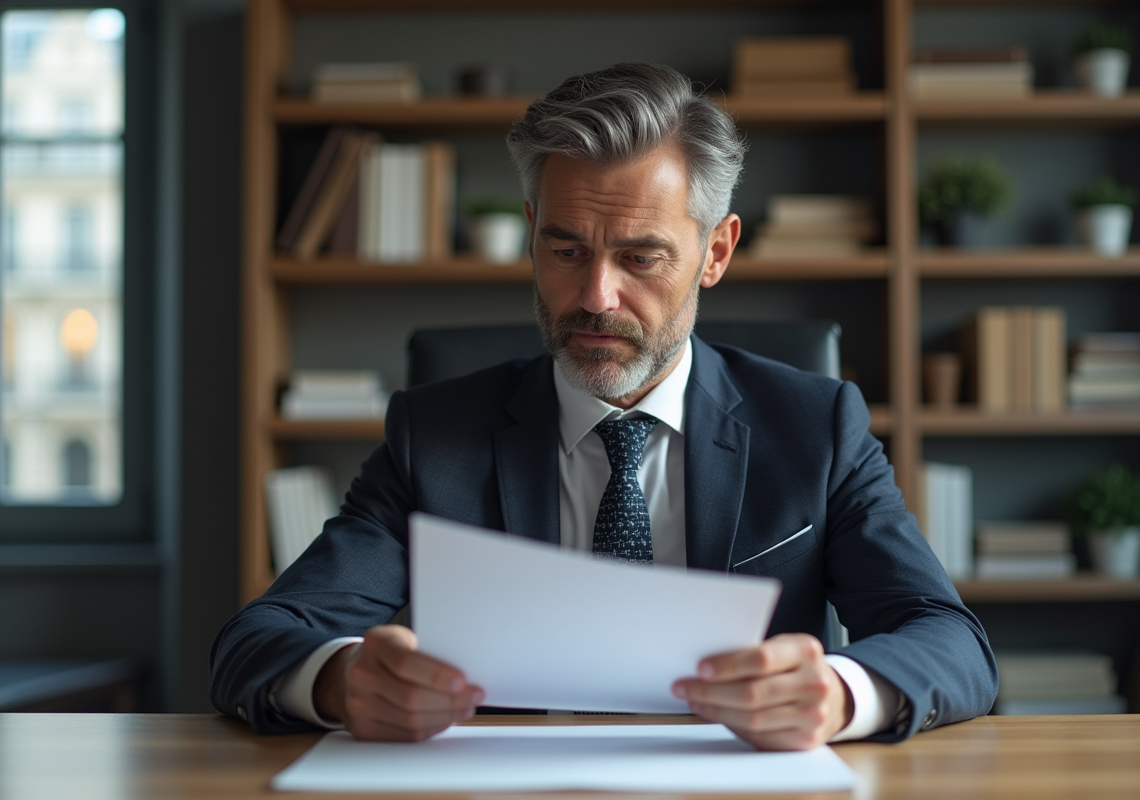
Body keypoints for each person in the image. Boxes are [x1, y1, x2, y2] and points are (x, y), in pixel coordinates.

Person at [211, 62, 997, 751]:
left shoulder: (816, 427)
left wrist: (839, 694)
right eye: (566, 251)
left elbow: (952, 642)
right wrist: (341, 679)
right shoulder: (436, 437)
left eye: (640, 257)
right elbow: (255, 641)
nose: (595, 296)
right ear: (530, 237)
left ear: (715, 252)